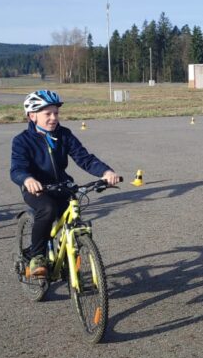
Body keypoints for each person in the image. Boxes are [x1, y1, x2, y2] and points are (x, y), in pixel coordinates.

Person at [10, 89, 121, 277]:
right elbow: (17, 169)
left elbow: (84, 158)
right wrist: (28, 179)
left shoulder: (64, 134)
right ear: (32, 116)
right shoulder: (22, 141)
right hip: (37, 189)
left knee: (74, 218)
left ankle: (71, 253)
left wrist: (106, 172)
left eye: (56, 113)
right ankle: (37, 255)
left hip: (62, 186)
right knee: (47, 209)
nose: (53, 118)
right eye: (48, 114)